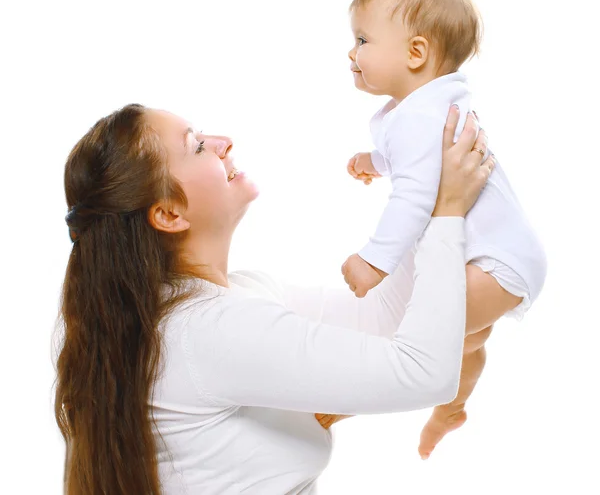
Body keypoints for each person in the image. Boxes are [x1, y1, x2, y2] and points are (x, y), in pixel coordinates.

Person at [54, 102, 493, 494]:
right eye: (198, 146)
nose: (223, 143)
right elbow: (425, 374)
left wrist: (424, 189)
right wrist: (446, 211)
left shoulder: (225, 301)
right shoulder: (207, 330)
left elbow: (382, 319)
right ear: (169, 214)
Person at [340, 0, 547, 458]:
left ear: (416, 53)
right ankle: (451, 408)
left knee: (414, 335)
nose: (352, 52)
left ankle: (338, 404)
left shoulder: (420, 115)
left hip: (494, 264)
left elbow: (413, 197)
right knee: (464, 344)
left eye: (363, 39)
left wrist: (374, 260)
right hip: (504, 259)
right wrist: (375, 160)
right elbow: (422, 165)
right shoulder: (425, 108)